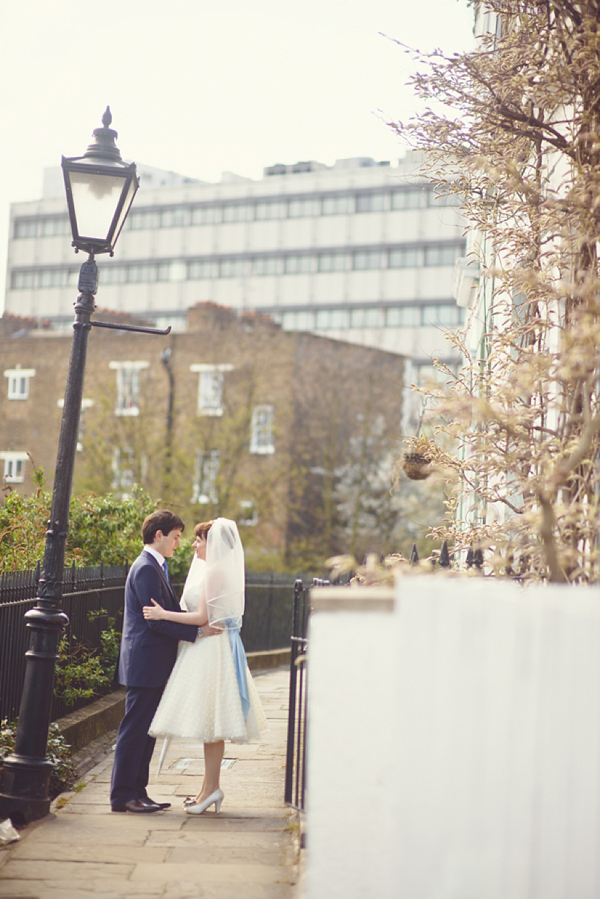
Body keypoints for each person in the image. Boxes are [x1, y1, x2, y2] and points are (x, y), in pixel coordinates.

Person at [142, 517, 267, 815]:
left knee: (213, 724)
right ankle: (207, 789)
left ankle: (210, 790)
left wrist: (163, 614)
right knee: (210, 726)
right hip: (207, 647)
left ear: (214, 544)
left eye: (199, 540)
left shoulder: (215, 572)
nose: (194, 544)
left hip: (212, 651)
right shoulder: (214, 570)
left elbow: (200, 618)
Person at [110, 510, 219, 814]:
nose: (178, 543)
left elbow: (162, 615)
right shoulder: (145, 568)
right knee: (134, 731)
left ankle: (138, 792)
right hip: (144, 663)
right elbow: (154, 622)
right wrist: (197, 631)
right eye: (175, 537)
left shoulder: (156, 566)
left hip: (151, 663)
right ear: (159, 535)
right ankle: (122, 796)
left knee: (145, 732)